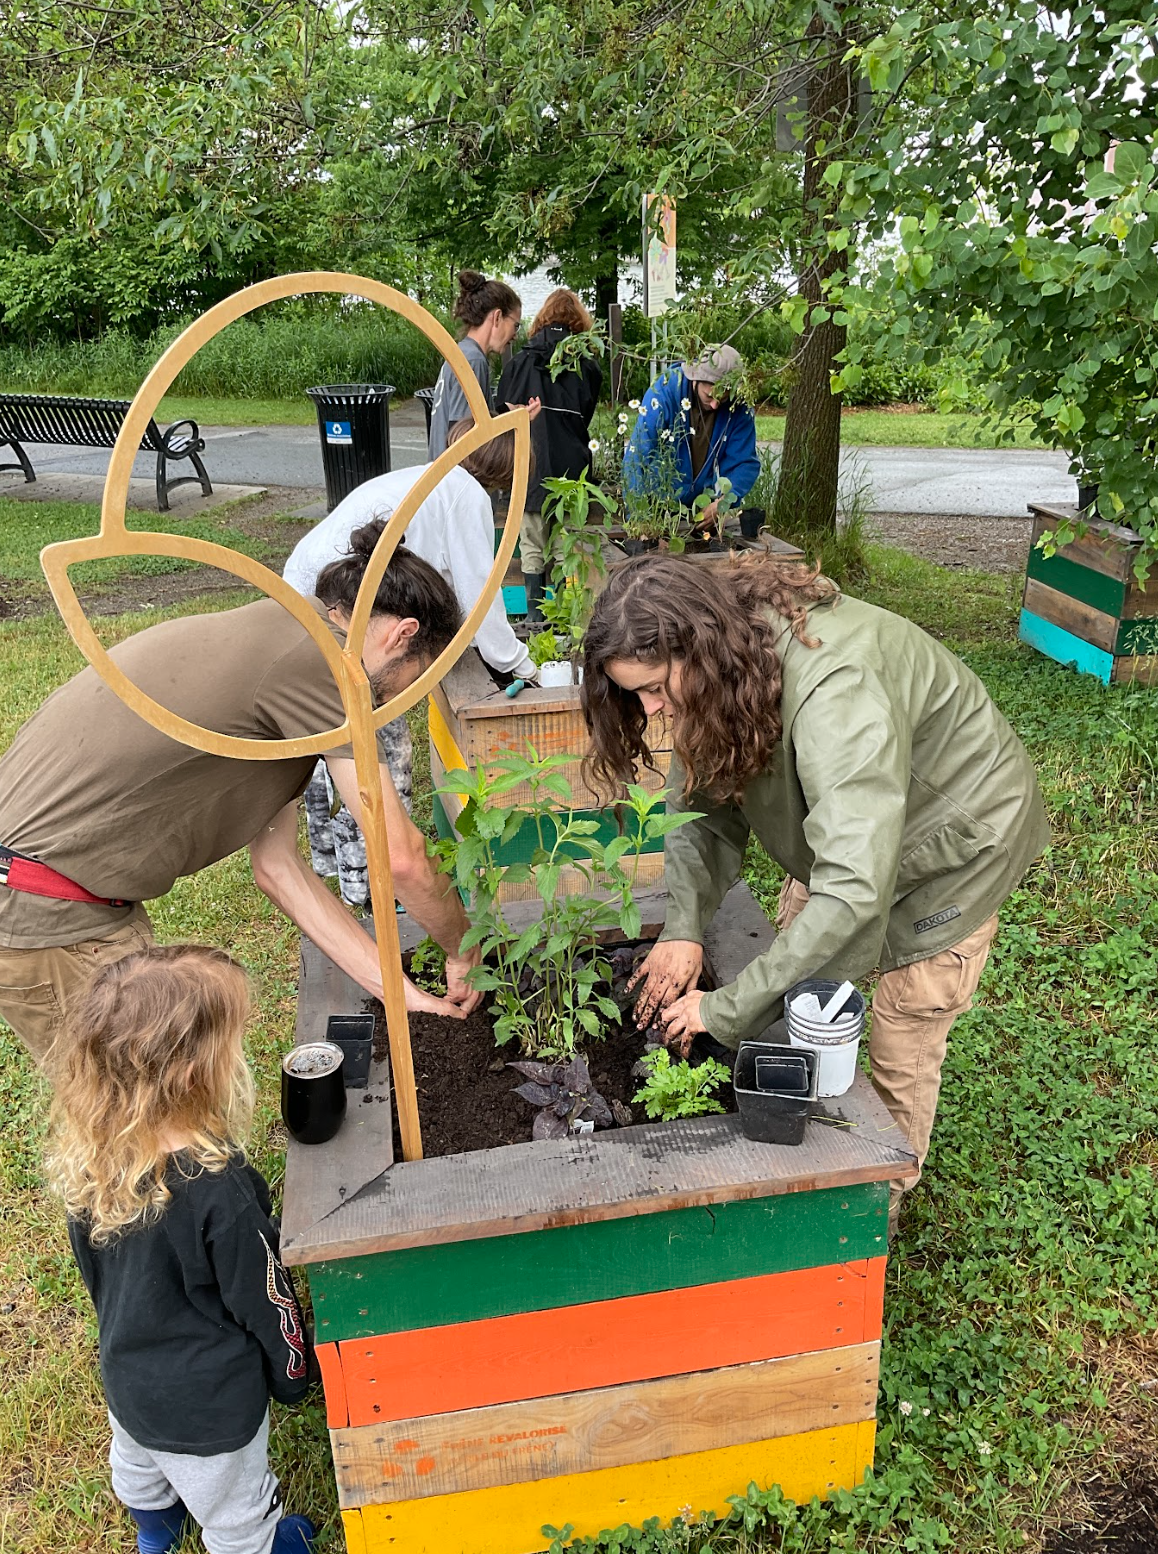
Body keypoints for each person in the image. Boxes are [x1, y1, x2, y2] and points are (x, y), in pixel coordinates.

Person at [580, 553, 1050, 1222]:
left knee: (901, 1030)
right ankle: (814, 1122)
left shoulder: (838, 690)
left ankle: (867, 1217)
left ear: (697, 645)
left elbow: (854, 888)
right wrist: (684, 929)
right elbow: (702, 812)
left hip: (954, 847)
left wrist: (725, 1009)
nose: (650, 709)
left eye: (654, 688)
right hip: (857, 834)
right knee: (806, 977)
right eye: (635, 696)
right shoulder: (731, 660)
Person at [0, 541, 480, 1066]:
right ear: (402, 634)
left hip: (46, 890)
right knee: (138, 1121)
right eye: (424, 672)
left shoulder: (282, 632)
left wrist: (398, 990)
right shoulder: (323, 664)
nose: (407, 696)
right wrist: (462, 948)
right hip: (49, 912)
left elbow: (278, 868)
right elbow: (402, 857)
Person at [47, 943, 317, 1554]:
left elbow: (99, 1284)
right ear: (193, 1072)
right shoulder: (220, 1191)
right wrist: (295, 1376)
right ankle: (261, 1543)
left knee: (139, 1464)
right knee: (236, 1508)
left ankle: (156, 1528)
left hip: (129, 1382)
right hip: (212, 1408)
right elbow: (265, 1299)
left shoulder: (95, 1166)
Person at [283, 425, 536, 908]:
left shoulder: (430, 477)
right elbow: (481, 596)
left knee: (322, 737)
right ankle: (371, 889)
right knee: (379, 746)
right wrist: (519, 666)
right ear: (506, 474)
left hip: (304, 599)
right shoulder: (465, 496)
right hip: (348, 614)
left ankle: (328, 859)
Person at [496, 288, 603, 621]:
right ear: (578, 324)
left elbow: (503, 414)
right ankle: (563, 612)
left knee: (530, 540)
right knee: (565, 543)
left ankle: (533, 615)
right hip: (571, 468)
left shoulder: (517, 364)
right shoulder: (587, 366)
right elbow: (585, 413)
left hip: (529, 466)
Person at [623, 344, 759, 530]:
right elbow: (638, 456)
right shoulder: (665, 392)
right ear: (695, 378)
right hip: (656, 505)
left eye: (723, 398)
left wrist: (723, 502)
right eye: (709, 396)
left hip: (699, 507)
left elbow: (743, 463)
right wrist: (638, 519)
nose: (715, 405)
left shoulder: (739, 408)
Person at [427, 270, 534, 458]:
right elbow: (463, 437)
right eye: (515, 325)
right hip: (455, 481)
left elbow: (472, 421)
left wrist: (507, 413)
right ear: (497, 317)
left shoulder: (463, 352)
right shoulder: (473, 361)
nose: (515, 335)